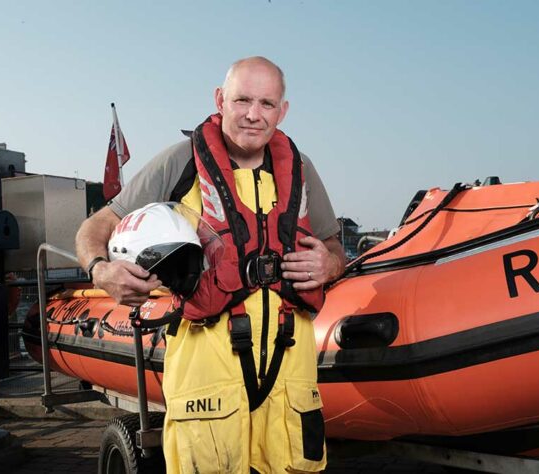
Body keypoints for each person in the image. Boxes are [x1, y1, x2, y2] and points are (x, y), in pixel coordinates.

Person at [76, 56, 345, 473]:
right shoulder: (180, 161)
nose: (254, 115)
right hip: (208, 368)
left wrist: (330, 265)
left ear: (283, 110)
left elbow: (333, 247)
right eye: (242, 100)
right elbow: (95, 227)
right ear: (220, 100)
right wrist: (101, 270)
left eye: (267, 104)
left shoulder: (301, 167)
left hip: (290, 370)